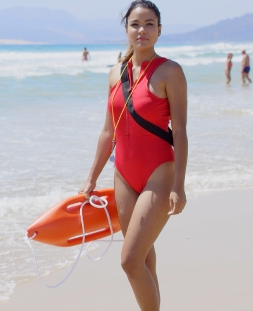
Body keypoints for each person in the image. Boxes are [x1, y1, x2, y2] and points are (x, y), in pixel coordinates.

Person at [79, 1, 188, 310]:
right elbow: (107, 132)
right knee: (144, 258)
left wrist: (179, 185)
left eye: (150, 24)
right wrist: (90, 178)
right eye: (136, 24)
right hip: (124, 174)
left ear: (160, 30)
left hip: (159, 172)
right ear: (126, 29)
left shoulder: (170, 71)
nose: (142, 30)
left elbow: (179, 131)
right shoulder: (115, 73)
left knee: (129, 260)